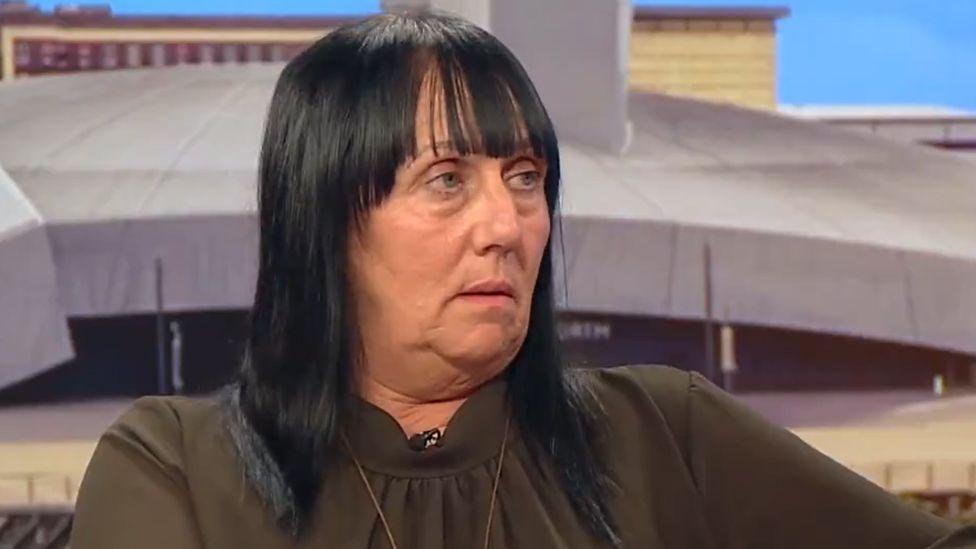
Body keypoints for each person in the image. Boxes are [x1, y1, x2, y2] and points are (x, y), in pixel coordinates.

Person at [71, 11, 976, 549]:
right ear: (327, 223)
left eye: (527, 178)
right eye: (447, 180)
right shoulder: (174, 469)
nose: (507, 226)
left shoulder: (664, 433)